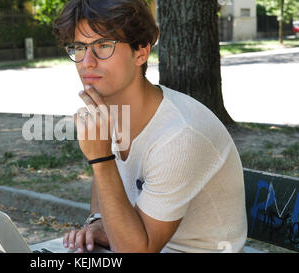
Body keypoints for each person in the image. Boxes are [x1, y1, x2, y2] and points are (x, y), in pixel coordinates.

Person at [53, 0, 247, 253]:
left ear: (141, 52)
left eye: (103, 46)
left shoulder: (181, 134)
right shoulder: (112, 112)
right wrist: (98, 222)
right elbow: (108, 182)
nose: (86, 62)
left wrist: (100, 157)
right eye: (79, 47)